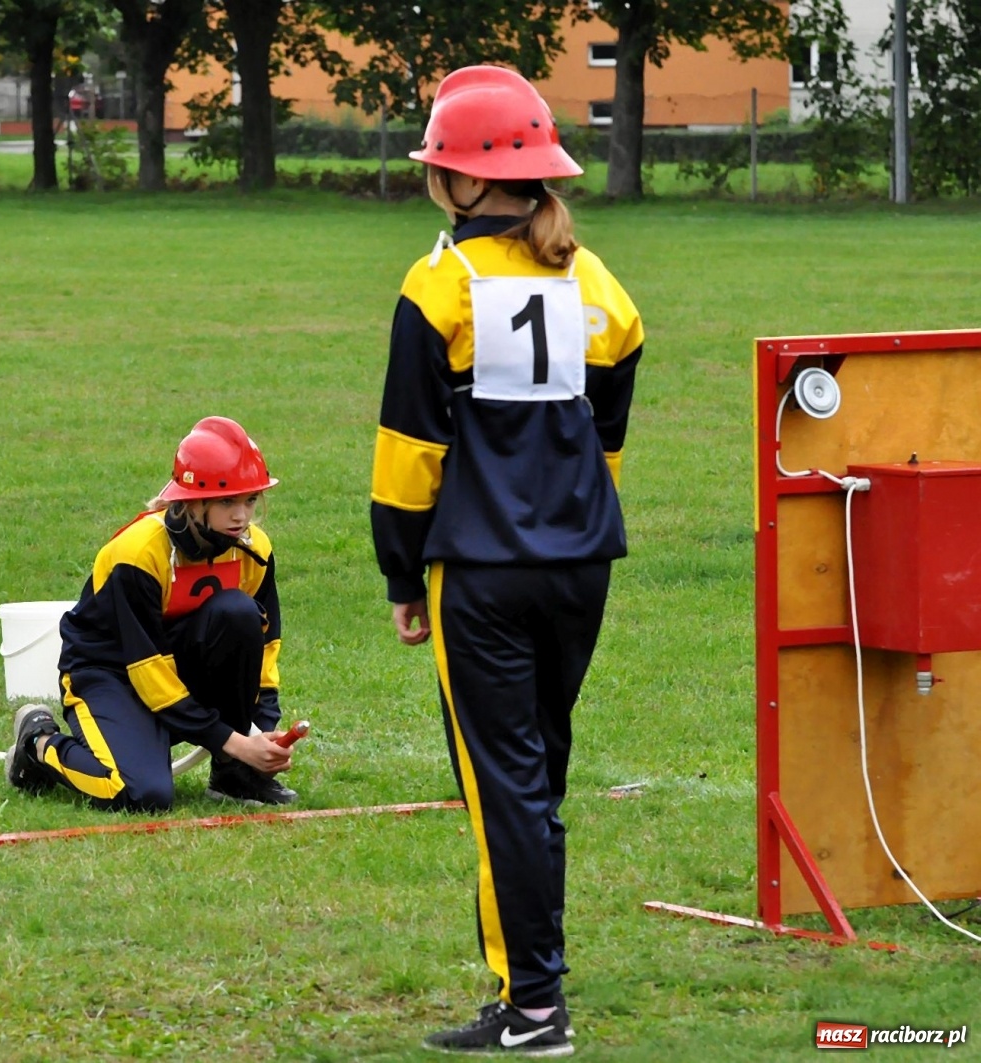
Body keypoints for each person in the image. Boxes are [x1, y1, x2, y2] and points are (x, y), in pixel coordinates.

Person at [370, 66, 643, 1056]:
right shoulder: (600, 284)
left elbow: (409, 453)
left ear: (466, 182)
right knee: (539, 772)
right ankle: (530, 983)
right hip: (580, 564)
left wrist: (402, 573)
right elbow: (604, 436)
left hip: (480, 572)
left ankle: (532, 1007)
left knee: (505, 786)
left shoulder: (438, 286)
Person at [6, 416, 298, 811]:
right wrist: (234, 740)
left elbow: (265, 644)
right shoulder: (138, 554)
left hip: (173, 667)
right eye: (227, 501)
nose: (241, 516)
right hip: (110, 672)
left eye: (249, 500)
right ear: (193, 502)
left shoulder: (254, 550)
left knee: (239, 613)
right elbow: (146, 668)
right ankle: (38, 743)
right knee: (142, 794)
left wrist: (263, 732)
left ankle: (234, 778)